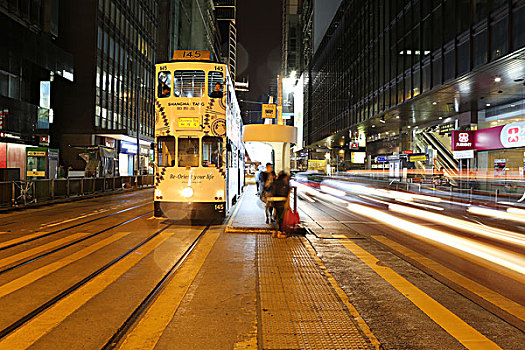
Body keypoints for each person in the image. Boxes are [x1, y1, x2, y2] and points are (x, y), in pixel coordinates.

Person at [271, 171, 291, 238]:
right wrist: (288, 205)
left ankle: (275, 230)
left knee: (277, 214)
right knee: (281, 216)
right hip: (282, 201)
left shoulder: (274, 182)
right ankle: (279, 231)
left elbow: (270, 190)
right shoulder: (286, 183)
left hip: (274, 200)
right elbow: (288, 192)